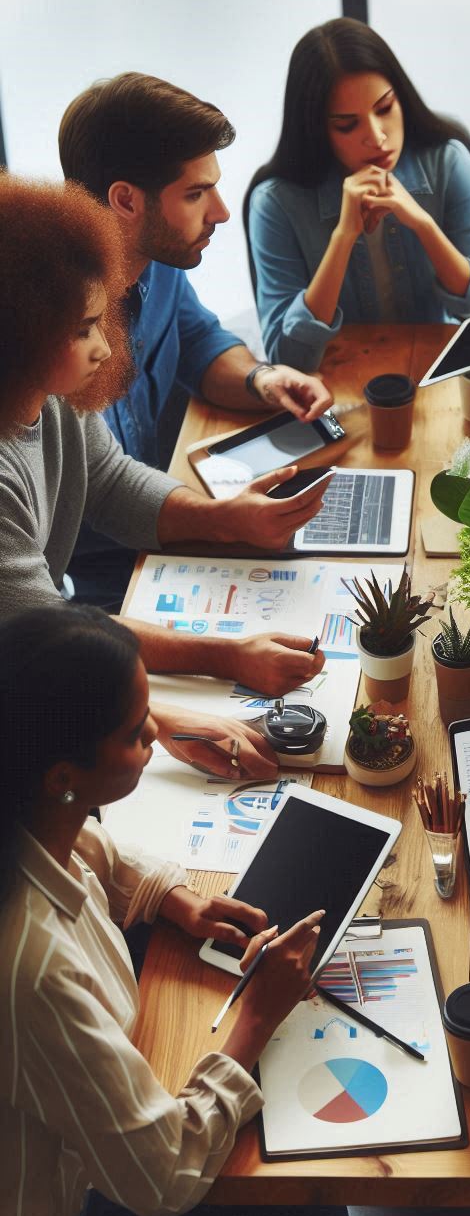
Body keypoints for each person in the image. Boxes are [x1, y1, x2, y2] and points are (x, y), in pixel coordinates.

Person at [0, 606, 399, 1216]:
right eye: (138, 734)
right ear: (66, 775)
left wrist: (172, 895)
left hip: (53, 1195)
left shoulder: (29, 820)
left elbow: (90, 848)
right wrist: (253, 1020)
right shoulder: (29, 971)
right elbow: (161, 1180)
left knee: (300, 1181)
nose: (159, 740)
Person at [0, 173, 331, 778]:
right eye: (83, 329)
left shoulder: (50, 396)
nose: (104, 349)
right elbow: (49, 638)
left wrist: (224, 519)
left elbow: (108, 479)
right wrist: (179, 709)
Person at [59, 72, 335, 608]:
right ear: (125, 200)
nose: (222, 212)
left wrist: (263, 378)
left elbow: (197, 337)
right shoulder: (53, 326)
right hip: (103, 578)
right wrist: (221, 524)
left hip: (172, 514)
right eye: (196, 193)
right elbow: (102, 490)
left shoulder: (154, 263)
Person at [245, 17, 470, 370]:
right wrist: (343, 236)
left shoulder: (446, 162)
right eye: (347, 125)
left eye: (384, 108)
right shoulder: (276, 203)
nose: (377, 136)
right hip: (337, 395)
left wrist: (424, 226)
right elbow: (289, 359)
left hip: (436, 379)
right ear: (317, 129)